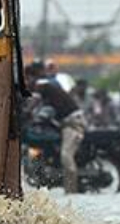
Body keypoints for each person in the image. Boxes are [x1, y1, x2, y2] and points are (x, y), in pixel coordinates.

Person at [25, 60, 85, 194]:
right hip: (64, 123)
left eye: (26, 78)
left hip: (73, 123)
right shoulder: (45, 85)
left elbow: (33, 102)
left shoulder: (42, 85)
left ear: (31, 77)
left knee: (66, 156)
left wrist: (26, 113)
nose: (26, 83)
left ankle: (71, 191)